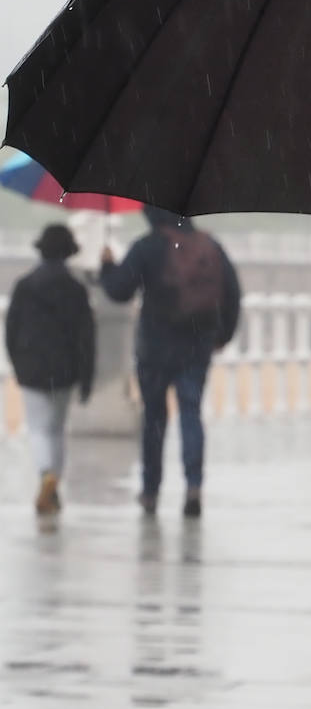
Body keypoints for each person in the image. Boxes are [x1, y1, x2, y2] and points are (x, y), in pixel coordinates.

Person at [100, 206, 240, 517]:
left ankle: (150, 491)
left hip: (155, 348)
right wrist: (222, 335)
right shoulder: (209, 245)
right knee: (191, 413)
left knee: (154, 418)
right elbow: (232, 293)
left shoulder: (147, 246)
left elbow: (119, 291)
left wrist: (107, 267)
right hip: (197, 344)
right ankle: (194, 485)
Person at [4, 223, 95, 514]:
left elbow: (11, 330)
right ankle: (53, 484)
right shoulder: (76, 289)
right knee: (56, 428)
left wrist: (17, 363)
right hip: (65, 369)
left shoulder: (25, 285)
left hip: (32, 367)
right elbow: (86, 337)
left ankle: (46, 475)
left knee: (38, 429)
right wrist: (86, 377)